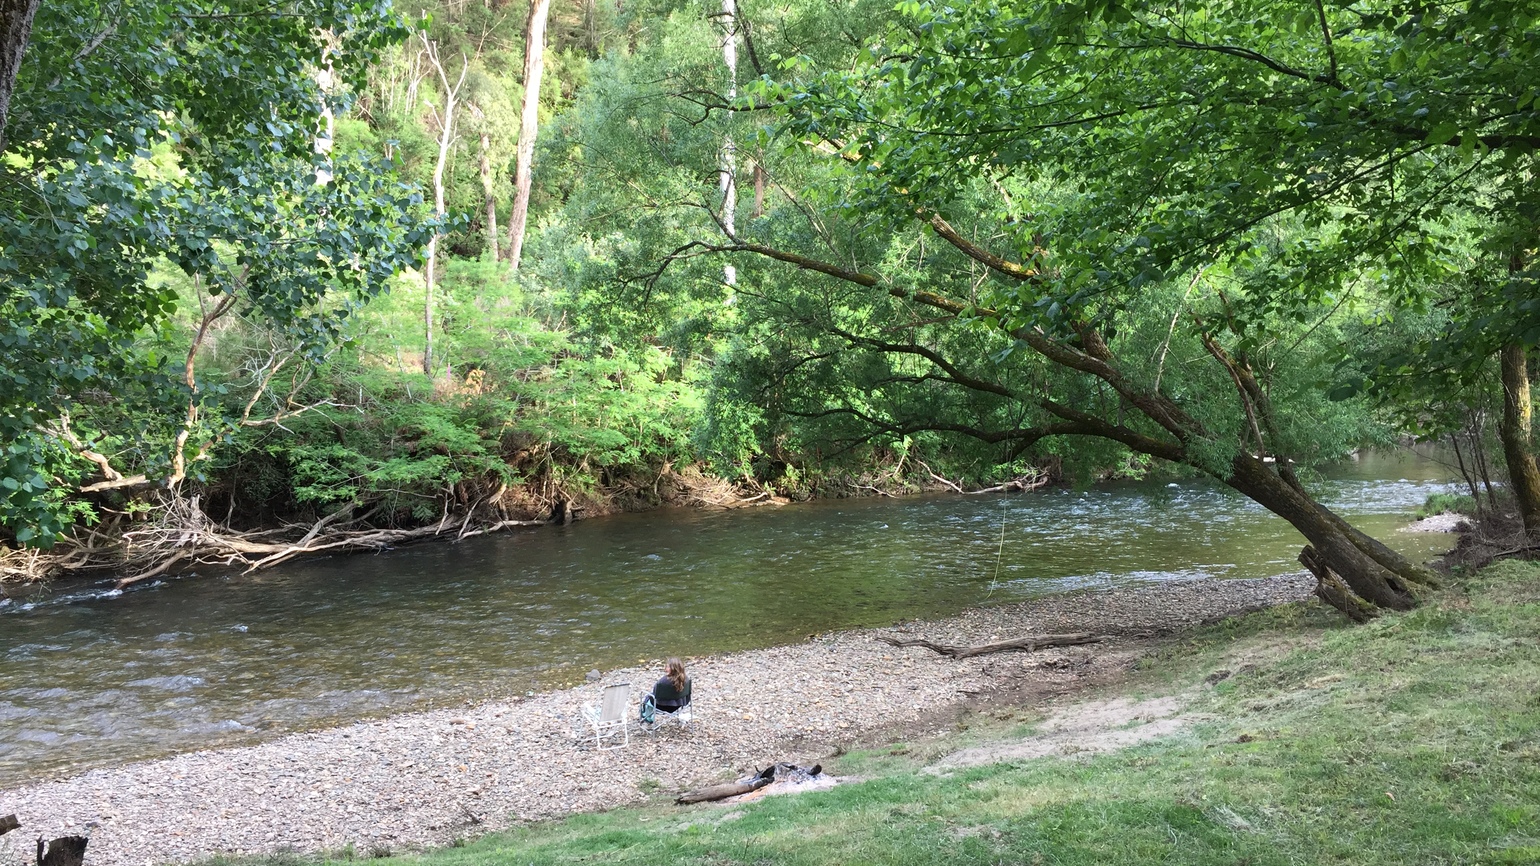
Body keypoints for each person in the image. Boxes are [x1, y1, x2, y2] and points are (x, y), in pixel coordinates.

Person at [641, 657, 691, 723]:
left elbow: (655, 694)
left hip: (662, 707)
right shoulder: (686, 679)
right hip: (679, 705)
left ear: (673, 669)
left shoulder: (663, 682)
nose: (665, 669)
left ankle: (647, 718)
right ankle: (647, 716)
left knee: (648, 698)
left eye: (667, 667)